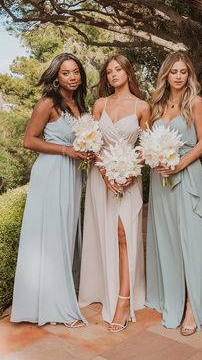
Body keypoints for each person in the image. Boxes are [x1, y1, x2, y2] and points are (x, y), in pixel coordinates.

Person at [146, 52, 202, 335]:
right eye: (174, 71)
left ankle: (194, 307)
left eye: (184, 71)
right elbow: (147, 139)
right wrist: (154, 158)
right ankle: (174, 296)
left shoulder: (195, 102)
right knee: (169, 240)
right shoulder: (156, 105)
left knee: (191, 241)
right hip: (161, 181)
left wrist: (178, 165)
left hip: (186, 174)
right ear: (166, 75)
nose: (179, 76)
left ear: (189, 75)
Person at [11, 53, 91, 327]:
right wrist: (65, 150)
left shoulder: (79, 103)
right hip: (52, 172)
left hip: (72, 175)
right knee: (53, 234)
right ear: (56, 76)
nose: (72, 76)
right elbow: (28, 140)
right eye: (66, 72)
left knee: (66, 233)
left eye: (76, 72)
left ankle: (59, 293)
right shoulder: (49, 103)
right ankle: (56, 307)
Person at [79, 54, 150, 333]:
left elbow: (147, 145)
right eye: (109, 72)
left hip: (130, 179)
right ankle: (105, 288)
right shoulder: (100, 104)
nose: (113, 75)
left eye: (118, 69)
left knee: (125, 233)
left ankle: (123, 300)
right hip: (102, 178)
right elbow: (93, 143)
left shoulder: (143, 106)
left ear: (128, 72)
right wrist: (106, 174)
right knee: (106, 233)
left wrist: (131, 171)